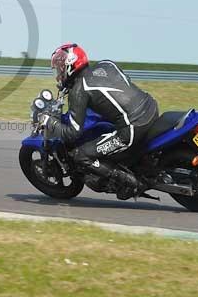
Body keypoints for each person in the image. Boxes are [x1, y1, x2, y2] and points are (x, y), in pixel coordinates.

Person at [38, 43, 159, 199]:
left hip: (133, 127)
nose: (58, 73)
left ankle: (131, 183)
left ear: (69, 66)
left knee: (81, 155)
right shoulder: (106, 64)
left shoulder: (79, 91)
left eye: (60, 68)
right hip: (151, 107)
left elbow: (72, 133)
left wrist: (50, 122)